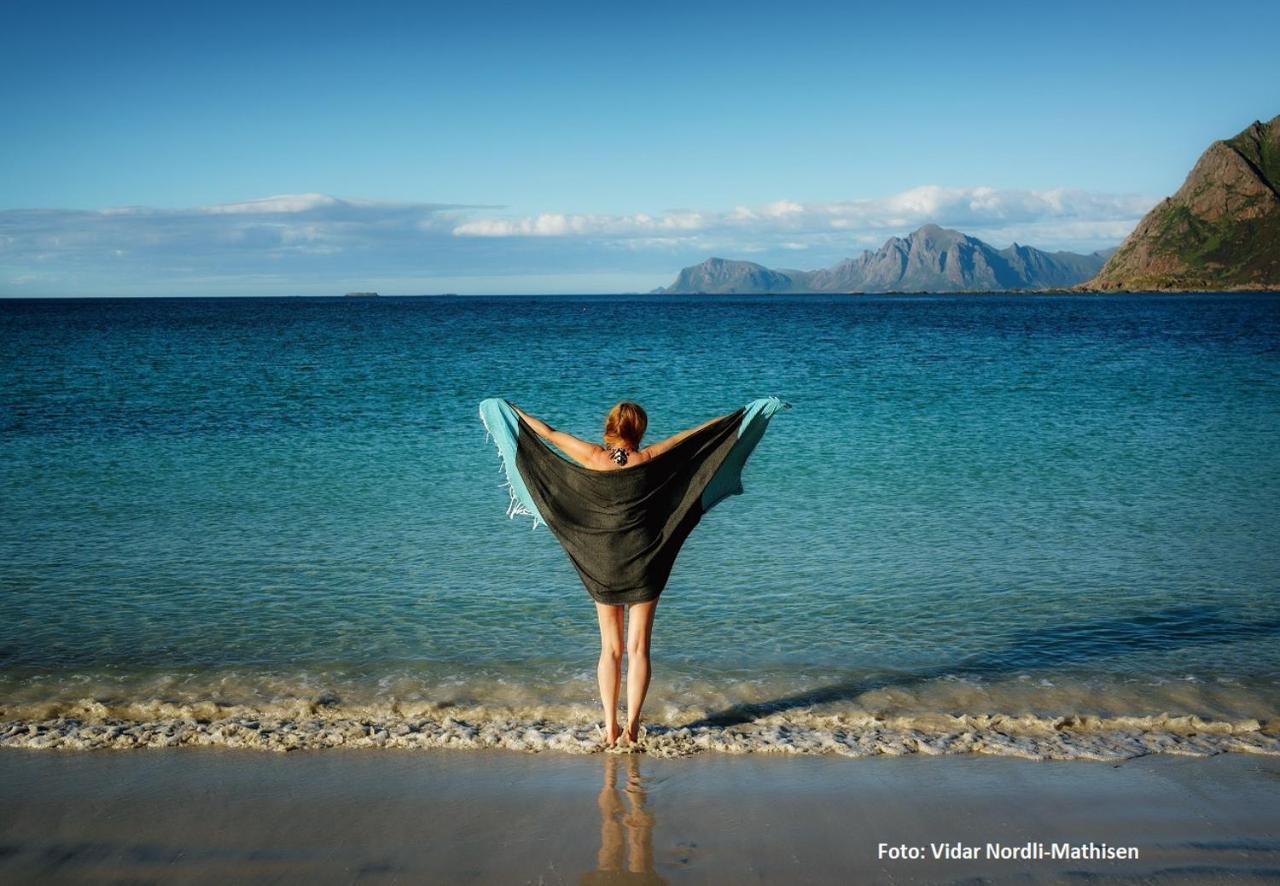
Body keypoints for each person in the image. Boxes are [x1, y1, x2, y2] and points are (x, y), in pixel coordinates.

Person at [508, 400, 722, 748]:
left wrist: (511, 410)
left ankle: (609, 728)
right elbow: (690, 437)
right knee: (638, 649)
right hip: (645, 559)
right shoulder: (649, 458)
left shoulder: (593, 456)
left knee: (611, 649)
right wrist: (734, 418)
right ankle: (633, 727)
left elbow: (547, 433)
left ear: (609, 427)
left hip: (603, 561)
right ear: (639, 430)